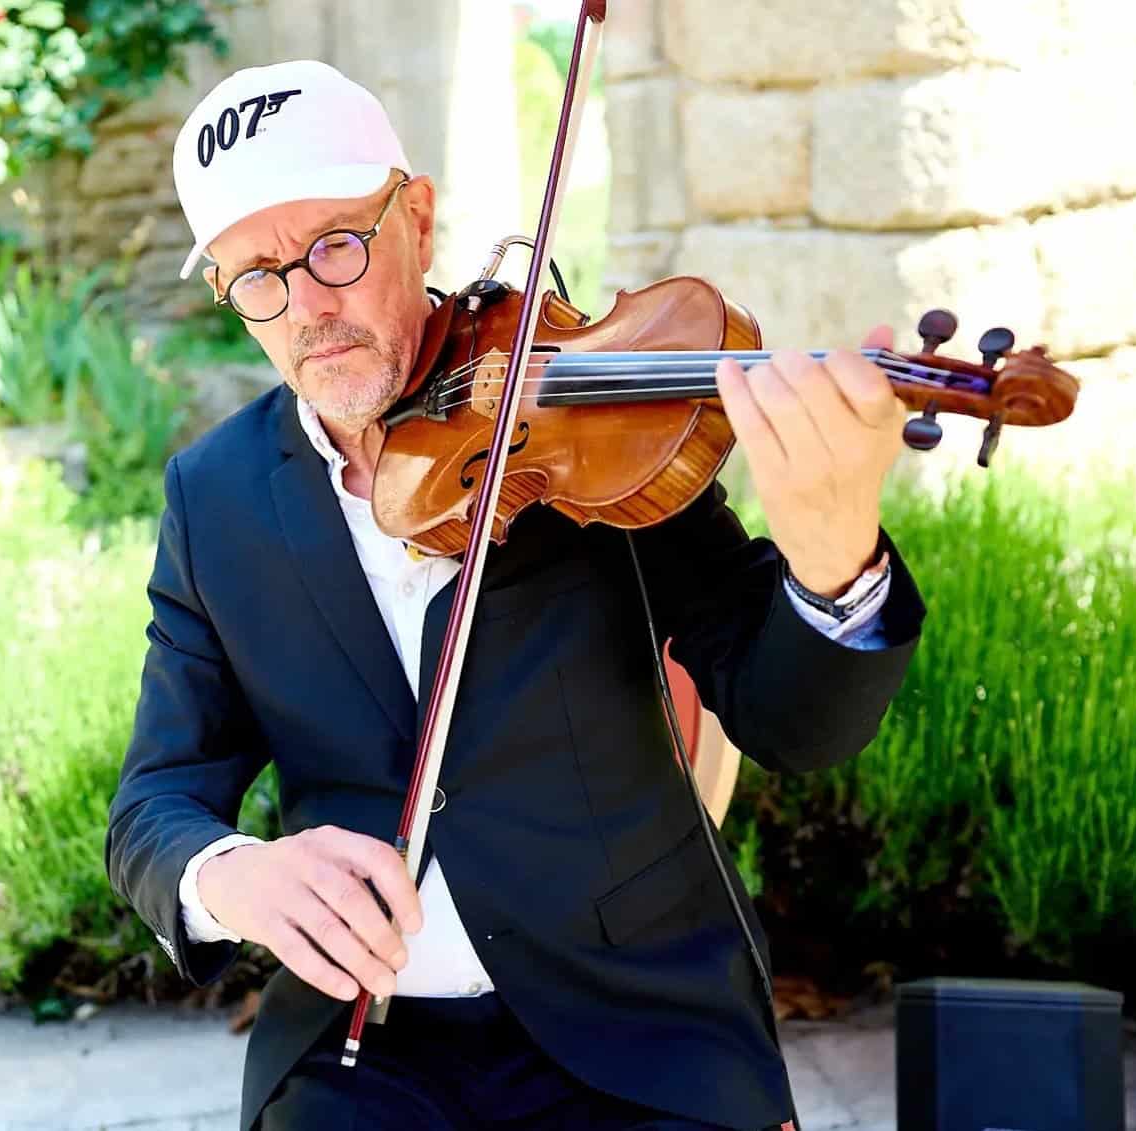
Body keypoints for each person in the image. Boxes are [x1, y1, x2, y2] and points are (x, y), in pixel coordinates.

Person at [106, 59, 926, 1131]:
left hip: (637, 1035)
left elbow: (795, 723)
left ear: (420, 219)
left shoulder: (582, 422)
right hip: (364, 1058)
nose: (308, 305)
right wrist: (232, 878)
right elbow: (153, 803)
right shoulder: (215, 498)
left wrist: (832, 551)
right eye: (257, 276)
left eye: (336, 246)